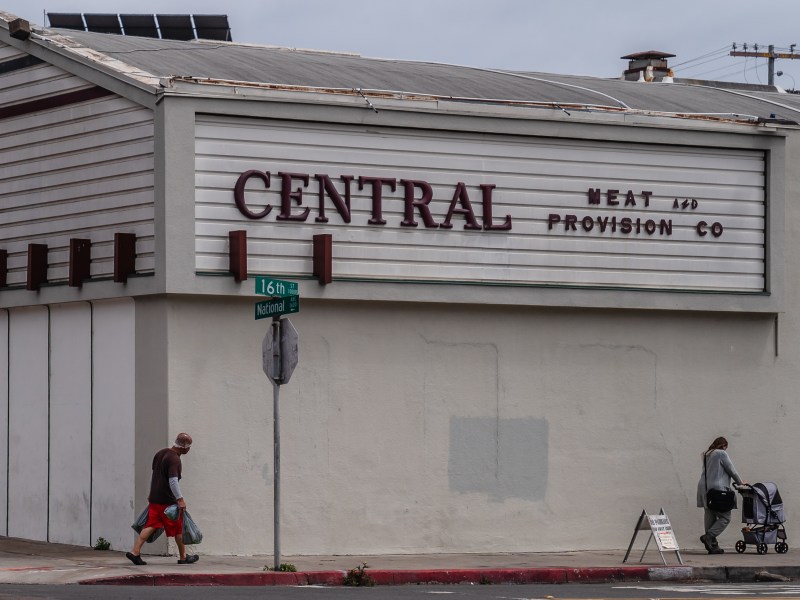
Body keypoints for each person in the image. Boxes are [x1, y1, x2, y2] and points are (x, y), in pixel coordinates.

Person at [126, 433, 199, 565]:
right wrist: (180, 499)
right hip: (168, 502)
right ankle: (183, 557)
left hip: (155, 499)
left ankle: (135, 552)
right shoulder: (175, 459)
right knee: (178, 528)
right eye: (189, 446)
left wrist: (151, 492)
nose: (189, 449)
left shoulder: (160, 453)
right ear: (183, 446)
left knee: (151, 525)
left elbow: (155, 475)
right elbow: (173, 481)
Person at [696, 436, 746, 554]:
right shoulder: (720, 453)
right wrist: (740, 482)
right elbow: (731, 470)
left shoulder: (706, 454)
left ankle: (713, 546)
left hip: (704, 487)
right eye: (726, 447)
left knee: (709, 515)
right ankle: (709, 536)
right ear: (723, 445)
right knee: (725, 517)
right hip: (716, 488)